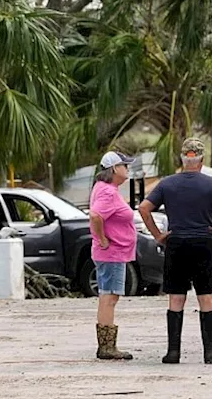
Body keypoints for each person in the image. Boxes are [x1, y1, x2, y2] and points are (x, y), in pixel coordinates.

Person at [138, 137, 212, 365]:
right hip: (203, 243)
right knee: (206, 296)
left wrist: (158, 235)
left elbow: (144, 208)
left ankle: (173, 352)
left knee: (176, 297)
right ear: (202, 160)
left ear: (182, 158)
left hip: (176, 243)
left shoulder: (167, 183)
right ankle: (211, 351)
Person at [90, 151, 138, 360]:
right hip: (112, 252)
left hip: (113, 252)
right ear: (114, 169)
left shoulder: (107, 189)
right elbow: (95, 215)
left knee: (108, 295)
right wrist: (102, 238)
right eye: (124, 165)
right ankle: (107, 347)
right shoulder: (108, 192)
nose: (127, 169)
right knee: (109, 296)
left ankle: (106, 344)